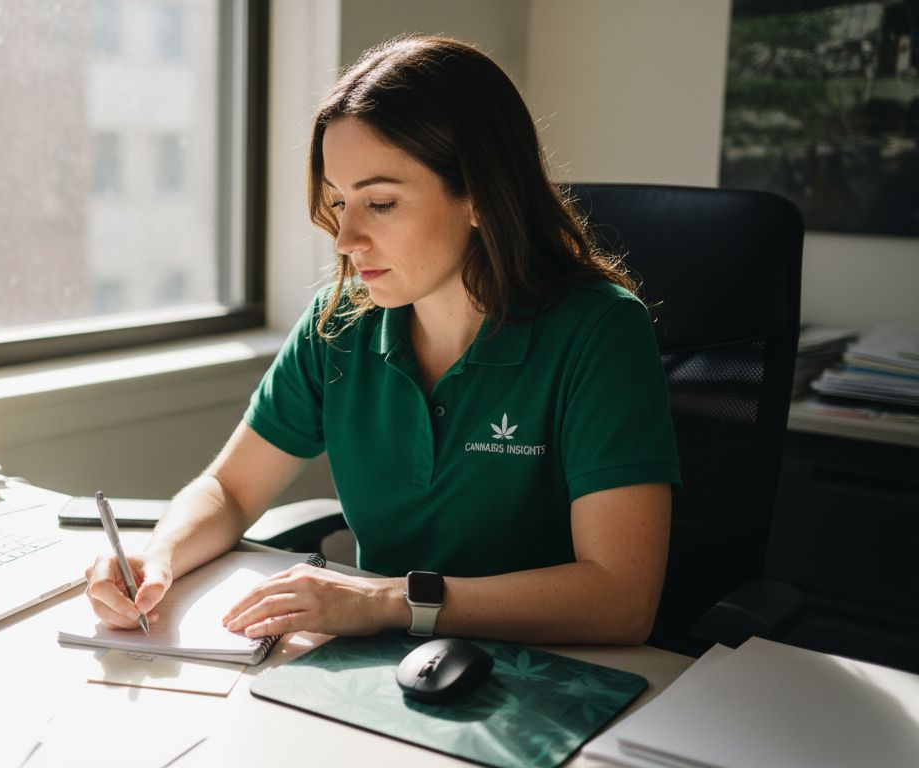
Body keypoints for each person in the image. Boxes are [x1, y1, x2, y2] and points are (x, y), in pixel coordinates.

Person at [85, 35, 681, 646]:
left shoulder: (600, 332)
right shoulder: (339, 323)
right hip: (385, 668)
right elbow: (230, 489)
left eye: (381, 202)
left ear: (479, 194)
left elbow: (621, 598)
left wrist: (389, 600)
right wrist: (156, 557)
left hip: (556, 677)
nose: (345, 238)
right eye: (339, 202)